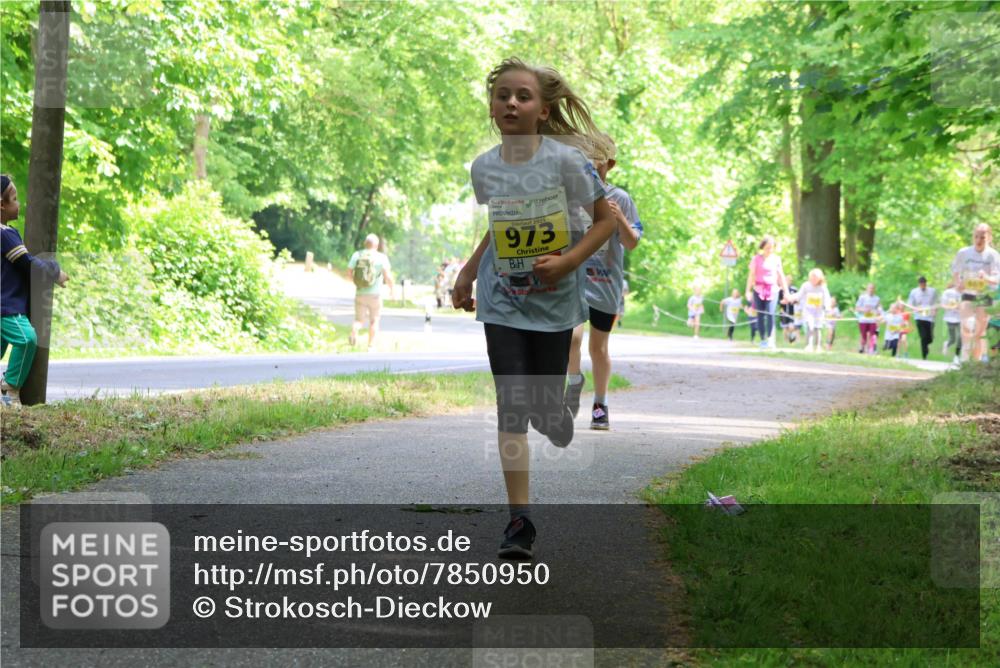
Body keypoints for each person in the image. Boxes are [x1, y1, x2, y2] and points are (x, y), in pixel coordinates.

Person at [451, 57, 614, 559]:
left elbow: (605, 222)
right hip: (501, 299)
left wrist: (567, 262)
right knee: (511, 403)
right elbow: (499, 225)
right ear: (491, 106)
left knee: (541, 409)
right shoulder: (484, 168)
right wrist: (467, 271)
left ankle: (556, 408)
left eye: (523, 96)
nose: (511, 103)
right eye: (502, 95)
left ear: (543, 110)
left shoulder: (566, 163)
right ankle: (519, 520)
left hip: (554, 302)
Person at [565, 132, 642, 431]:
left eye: (597, 163)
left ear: (610, 164)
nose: (591, 168)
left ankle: (600, 404)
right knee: (571, 339)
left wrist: (619, 218)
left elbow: (631, 242)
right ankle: (573, 384)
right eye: (585, 162)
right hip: (574, 281)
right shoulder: (571, 196)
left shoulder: (620, 198)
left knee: (598, 348)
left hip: (605, 284)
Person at [1, 174, 70, 408]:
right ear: (1, 205)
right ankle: (9, 387)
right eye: (14, 199)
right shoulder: (5, 235)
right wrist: (55, 272)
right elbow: (28, 264)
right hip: (7, 307)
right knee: (27, 339)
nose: (19, 203)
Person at [952, 223, 1000, 363]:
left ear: (989, 238)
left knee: (979, 332)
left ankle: (975, 363)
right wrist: (958, 284)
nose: (979, 240)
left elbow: (996, 279)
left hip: (985, 296)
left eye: (982, 237)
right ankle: (965, 360)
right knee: (966, 327)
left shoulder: (993, 255)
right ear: (973, 236)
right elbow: (955, 271)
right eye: (976, 236)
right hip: (968, 294)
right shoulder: (963, 253)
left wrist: (986, 277)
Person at [347, 233, 394, 349]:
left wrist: (357, 283)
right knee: (374, 321)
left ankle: (354, 331)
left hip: (360, 293)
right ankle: (371, 346)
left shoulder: (357, 255)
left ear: (365, 244)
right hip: (375, 295)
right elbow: (388, 276)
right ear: (377, 245)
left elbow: (349, 273)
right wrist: (392, 290)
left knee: (359, 320)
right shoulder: (381, 257)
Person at [745, 235, 790, 350]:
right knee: (760, 315)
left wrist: (786, 292)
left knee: (770, 313)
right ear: (763, 247)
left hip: (772, 290)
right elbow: (751, 275)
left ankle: (770, 339)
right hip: (758, 289)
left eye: (771, 247)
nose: (769, 250)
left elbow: (781, 276)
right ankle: (763, 340)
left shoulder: (776, 259)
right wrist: (748, 291)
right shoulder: (756, 259)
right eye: (767, 247)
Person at [788, 268, 831, 353]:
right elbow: (799, 295)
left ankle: (818, 346)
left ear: (820, 278)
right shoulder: (806, 285)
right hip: (808, 310)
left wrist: (826, 308)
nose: (813, 279)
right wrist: (790, 298)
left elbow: (827, 298)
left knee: (817, 328)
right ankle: (809, 345)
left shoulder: (823, 287)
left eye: (815, 277)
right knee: (810, 327)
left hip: (819, 311)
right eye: (812, 277)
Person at [907, 276, 937, 360]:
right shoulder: (914, 292)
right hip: (919, 317)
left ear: (926, 283)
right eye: (921, 284)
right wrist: (914, 309)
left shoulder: (932, 291)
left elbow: (935, 302)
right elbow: (910, 304)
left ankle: (926, 345)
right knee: (923, 337)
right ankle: (924, 356)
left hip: (929, 317)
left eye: (924, 284)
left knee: (930, 338)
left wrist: (935, 311)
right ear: (919, 284)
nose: (923, 285)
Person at [855, 283, 882, 354]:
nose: (871, 290)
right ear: (867, 289)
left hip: (872, 320)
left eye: (872, 288)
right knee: (863, 335)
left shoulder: (877, 298)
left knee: (872, 335)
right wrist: (864, 310)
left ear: (874, 289)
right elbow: (857, 308)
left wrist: (879, 313)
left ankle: (870, 349)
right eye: (869, 288)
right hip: (863, 319)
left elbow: (879, 308)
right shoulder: (862, 297)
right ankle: (862, 347)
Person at [940, 280, 962, 362]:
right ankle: (947, 344)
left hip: (961, 318)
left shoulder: (965, 293)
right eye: (959, 282)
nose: (960, 284)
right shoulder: (948, 292)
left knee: (961, 336)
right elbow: (943, 305)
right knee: (953, 339)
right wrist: (952, 307)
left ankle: (957, 356)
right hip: (950, 318)